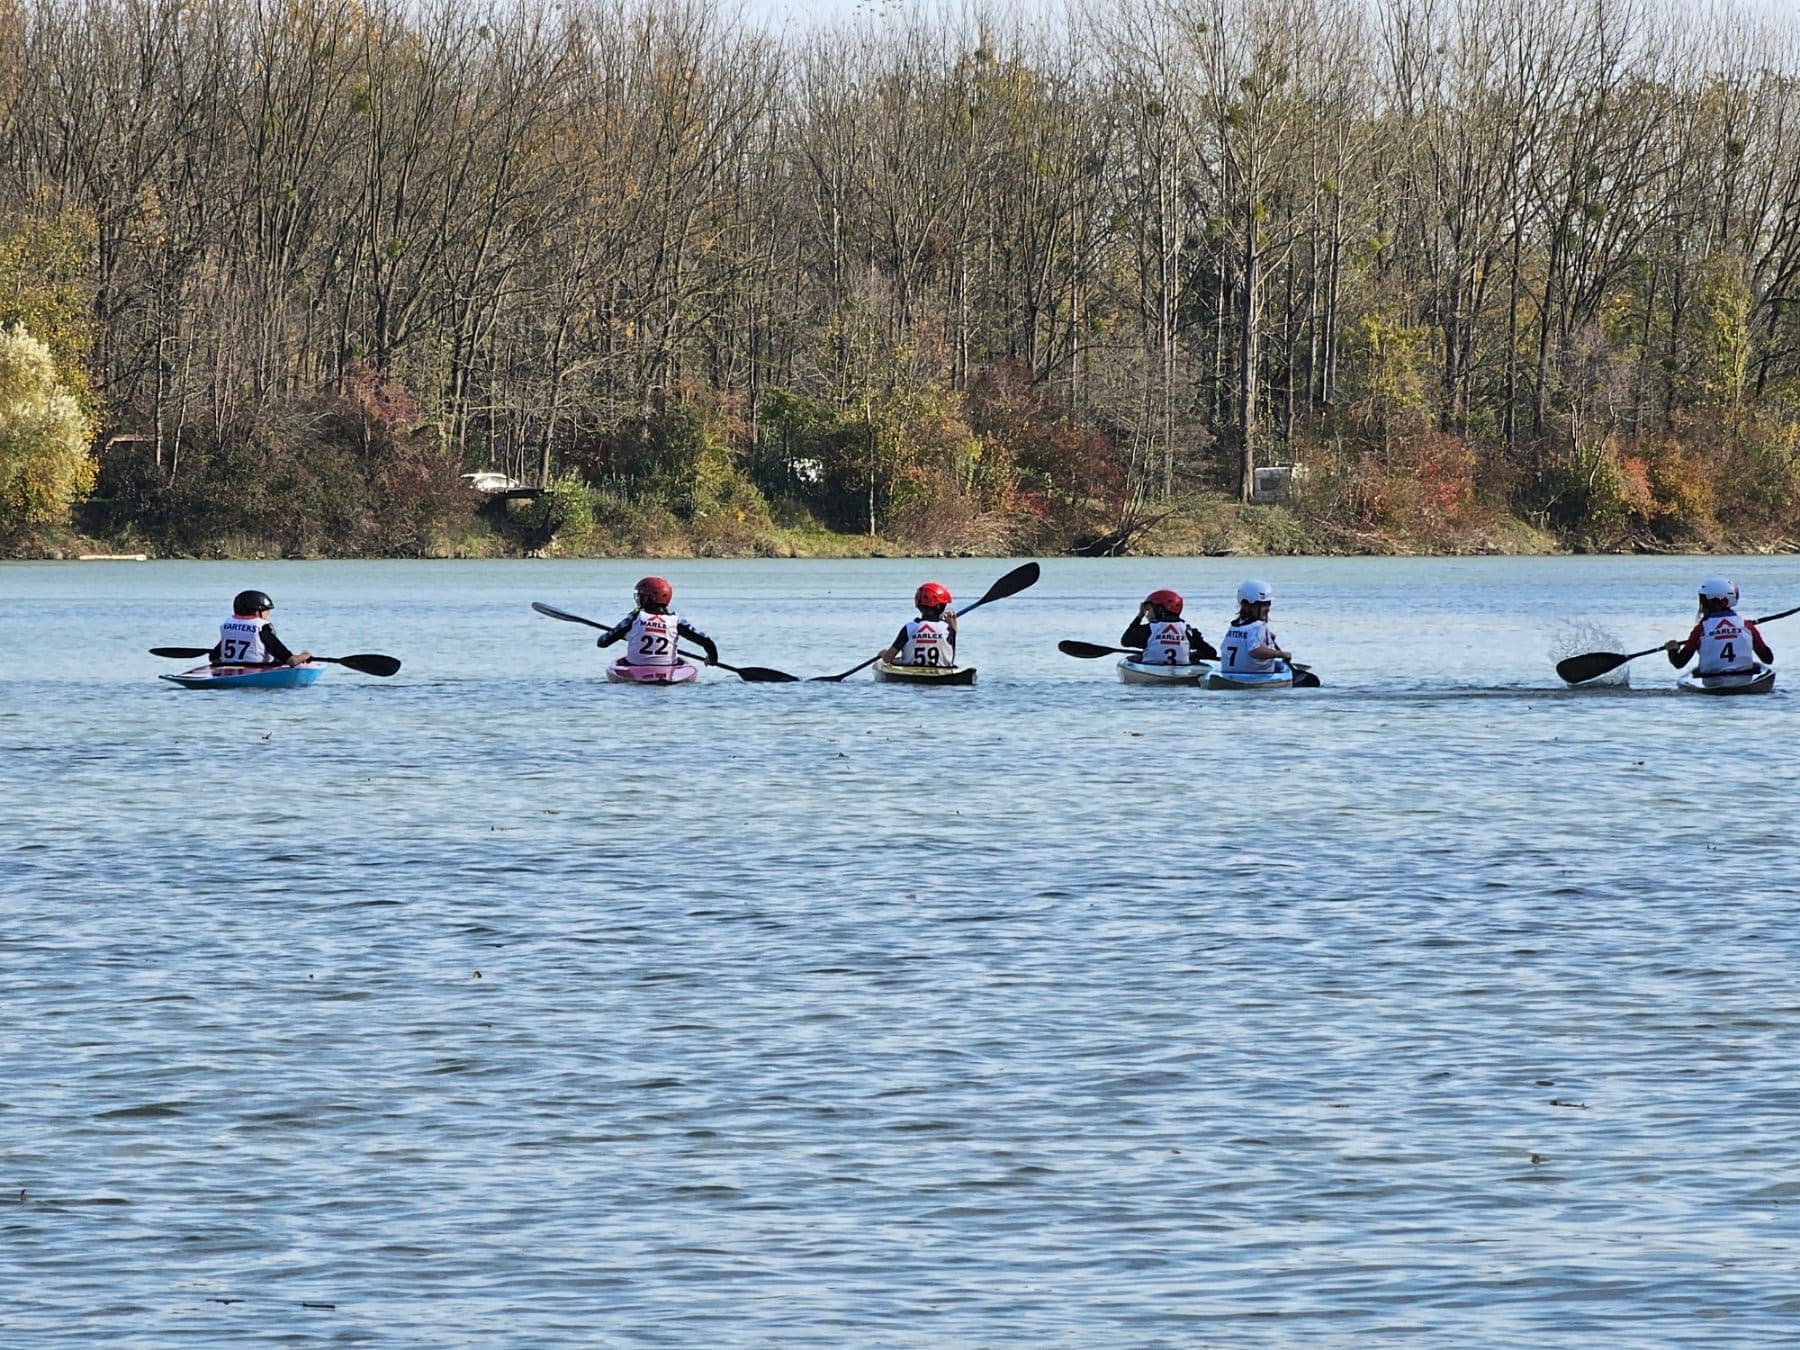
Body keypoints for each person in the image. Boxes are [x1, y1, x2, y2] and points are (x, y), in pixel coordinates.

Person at [595, 576, 719, 667]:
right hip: (667, 670)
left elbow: (602, 642)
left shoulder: (634, 619)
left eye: (640, 596)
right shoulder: (676, 622)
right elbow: (708, 643)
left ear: (647, 598)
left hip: (636, 669)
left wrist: (626, 636)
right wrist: (712, 658)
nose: (638, 599)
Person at [1665, 576, 1772, 675]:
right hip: (1744, 679)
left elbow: (1679, 663)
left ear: (1721, 601)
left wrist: (1672, 650)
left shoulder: (1700, 629)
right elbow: (1768, 658)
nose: (1703, 605)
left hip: (1712, 681)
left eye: (1705, 601)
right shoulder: (1747, 626)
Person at [209, 589, 312, 667]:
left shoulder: (228, 625)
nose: (269, 614)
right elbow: (291, 661)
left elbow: (213, 658)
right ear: (257, 612)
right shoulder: (262, 628)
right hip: (256, 671)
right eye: (267, 611)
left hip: (229, 669)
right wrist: (304, 656)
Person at [1218, 579, 1293, 676]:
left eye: (1268, 604)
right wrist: (1280, 654)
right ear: (1246, 605)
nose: (1267, 609)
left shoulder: (1234, 626)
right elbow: (1255, 650)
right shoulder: (1258, 626)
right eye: (1263, 605)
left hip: (1229, 673)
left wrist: (1267, 638)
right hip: (1254, 675)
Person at [878, 582, 957, 668]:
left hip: (910, 674)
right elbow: (950, 659)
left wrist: (882, 653)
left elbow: (887, 658)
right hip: (941, 674)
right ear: (938, 606)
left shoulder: (909, 628)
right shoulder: (947, 629)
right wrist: (954, 629)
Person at [1122, 589, 1209, 666]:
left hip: (1151, 672)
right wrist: (1194, 655)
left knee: (1132, 659)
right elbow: (1210, 652)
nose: (1147, 615)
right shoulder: (1188, 631)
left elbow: (1125, 641)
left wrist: (1139, 616)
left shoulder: (1149, 629)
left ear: (1159, 609)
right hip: (1182, 673)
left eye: (1149, 610)